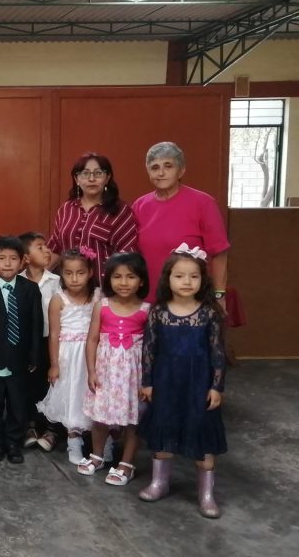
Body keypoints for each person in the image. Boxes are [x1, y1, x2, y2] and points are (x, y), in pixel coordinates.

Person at [138, 247, 228, 519]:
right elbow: (149, 350)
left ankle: (207, 494)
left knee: (202, 435)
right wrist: (147, 382)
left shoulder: (209, 314)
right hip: (166, 381)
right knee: (163, 434)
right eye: (180, 276)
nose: (187, 282)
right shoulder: (159, 311)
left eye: (193, 277)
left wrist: (216, 386)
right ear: (168, 279)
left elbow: (218, 353)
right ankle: (159, 482)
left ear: (203, 280)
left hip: (198, 383)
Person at [78, 252, 150, 486]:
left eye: (130, 276)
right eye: (117, 276)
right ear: (108, 279)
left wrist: (149, 380)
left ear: (141, 280)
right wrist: (91, 370)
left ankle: (126, 463)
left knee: (133, 418)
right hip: (106, 372)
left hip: (133, 374)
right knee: (100, 417)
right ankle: (97, 455)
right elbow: (92, 340)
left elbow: (152, 348)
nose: (124, 282)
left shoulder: (147, 310)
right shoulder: (103, 306)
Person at [0, 236, 44, 464]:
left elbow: (36, 325)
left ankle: (14, 441)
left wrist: (34, 355)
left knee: (18, 403)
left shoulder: (31, 290)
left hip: (20, 359)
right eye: (1, 258)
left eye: (13, 258)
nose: (7, 263)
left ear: (22, 261)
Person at [132, 142, 230, 304]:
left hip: (192, 300)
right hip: (148, 300)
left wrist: (220, 294)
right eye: (155, 167)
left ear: (181, 170)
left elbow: (219, 252)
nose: (161, 173)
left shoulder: (203, 203)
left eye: (168, 166)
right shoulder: (140, 206)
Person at [36, 248, 100, 464]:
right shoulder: (58, 299)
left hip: (93, 355)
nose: (74, 278)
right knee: (72, 397)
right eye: (68, 273)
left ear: (90, 272)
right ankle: (74, 442)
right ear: (61, 274)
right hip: (68, 356)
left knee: (93, 396)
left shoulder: (98, 297)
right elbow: (53, 334)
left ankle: (103, 443)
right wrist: (54, 364)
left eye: (80, 273)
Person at [47, 152, 138, 279]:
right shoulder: (66, 209)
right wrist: (37, 280)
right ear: (76, 179)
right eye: (85, 173)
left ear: (107, 178)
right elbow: (55, 249)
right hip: (69, 286)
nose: (91, 179)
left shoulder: (121, 211)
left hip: (104, 288)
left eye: (98, 173)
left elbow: (127, 255)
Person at [18, 231, 61, 452]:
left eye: (47, 246)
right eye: (40, 246)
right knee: (29, 385)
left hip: (51, 341)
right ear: (25, 257)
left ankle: (52, 429)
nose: (47, 250)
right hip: (27, 343)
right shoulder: (18, 281)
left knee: (51, 384)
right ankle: (31, 426)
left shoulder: (56, 281)